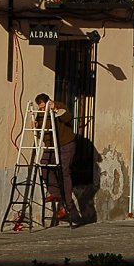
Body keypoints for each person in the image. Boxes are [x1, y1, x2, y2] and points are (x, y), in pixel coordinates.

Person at [34, 93, 82, 227]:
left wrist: (55, 109)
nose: (42, 110)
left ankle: (67, 205)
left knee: (64, 171)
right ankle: (55, 192)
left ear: (49, 102)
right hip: (50, 145)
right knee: (44, 165)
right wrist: (36, 126)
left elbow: (67, 118)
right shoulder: (40, 113)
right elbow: (42, 132)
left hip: (65, 144)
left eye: (44, 106)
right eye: (41, 107)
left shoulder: (59, 106)